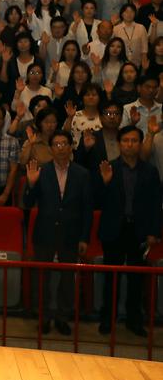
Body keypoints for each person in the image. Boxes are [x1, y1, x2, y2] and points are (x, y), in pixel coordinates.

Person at [24, 130, 93, 336]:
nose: (61, 148)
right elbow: (27, 204)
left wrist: (84, 237)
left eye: (65, 144)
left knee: (66, 279)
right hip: (44, 232)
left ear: (71, 147)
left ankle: (63, 317)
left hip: (71, 233)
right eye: (57, 144)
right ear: (51, 149)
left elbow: (87, 209)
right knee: (41, 279)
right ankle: (43, 317)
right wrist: (31, 183)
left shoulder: (82, 174)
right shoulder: (41, 171)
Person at [97, 125, 162, 337]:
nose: (130, 145)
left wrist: (154, 232)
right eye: (125, 141)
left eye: (134, 141)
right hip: (114, 229)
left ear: (140, 143)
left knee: (136, 279)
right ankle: (107, 319)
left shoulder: (150, 171)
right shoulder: (109, 168)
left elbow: (155, 204)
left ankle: (135, 321)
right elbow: (97, 202)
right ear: (119, 143)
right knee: (110, 279)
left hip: (140, 231)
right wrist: (104, 183)